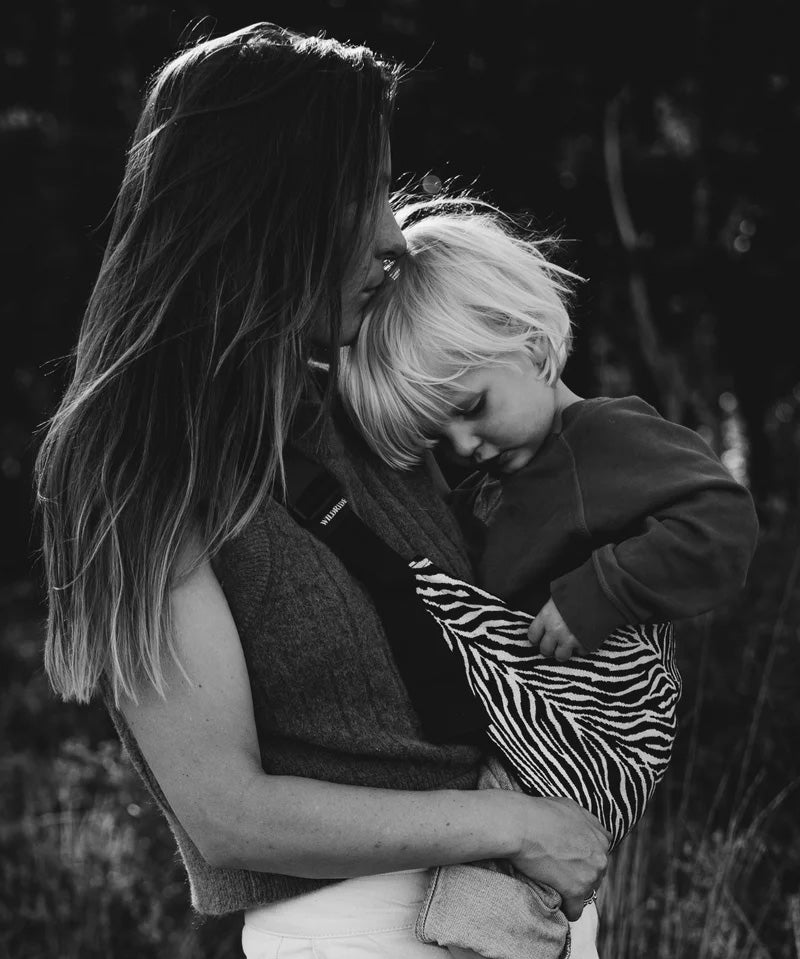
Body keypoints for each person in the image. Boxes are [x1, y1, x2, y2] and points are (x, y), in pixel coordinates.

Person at [34, 23, 610, 959]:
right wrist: (513, 825)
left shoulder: (360, 403)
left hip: (522, 913)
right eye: (364, 191)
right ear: (271, 202)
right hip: (362, 932)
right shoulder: (140, 463)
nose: (393, 232)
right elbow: (227, 812)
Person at [339, 199, 760, 956]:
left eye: (472, 408)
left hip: (601, 707)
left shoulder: (607, 435)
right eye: (441, 434)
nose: (464, 445)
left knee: (508, 849)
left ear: (530, 343)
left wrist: (605, 589)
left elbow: (723, 522)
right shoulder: (499, 472)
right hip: (538, 703)